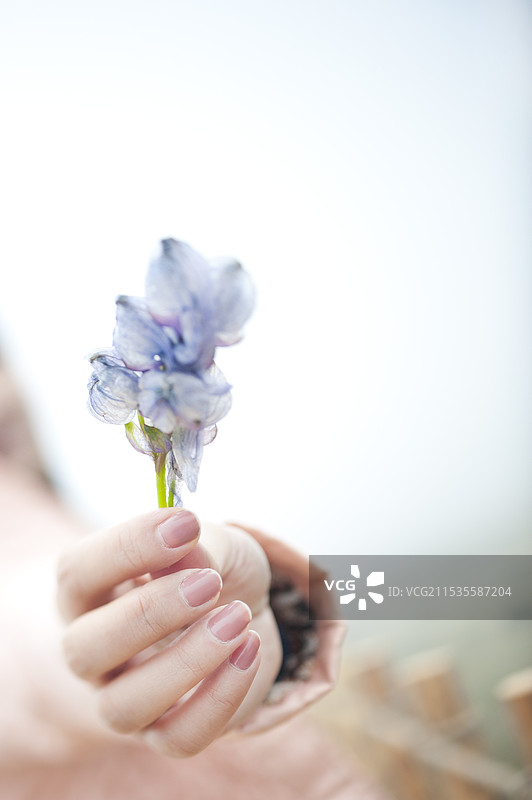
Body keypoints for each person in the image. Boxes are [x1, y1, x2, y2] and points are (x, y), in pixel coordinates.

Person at [0, 358, 389, 799]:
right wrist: (104, 643)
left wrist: (249, 591)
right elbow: (24, 647)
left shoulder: (56, 510)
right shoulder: (18, 518)